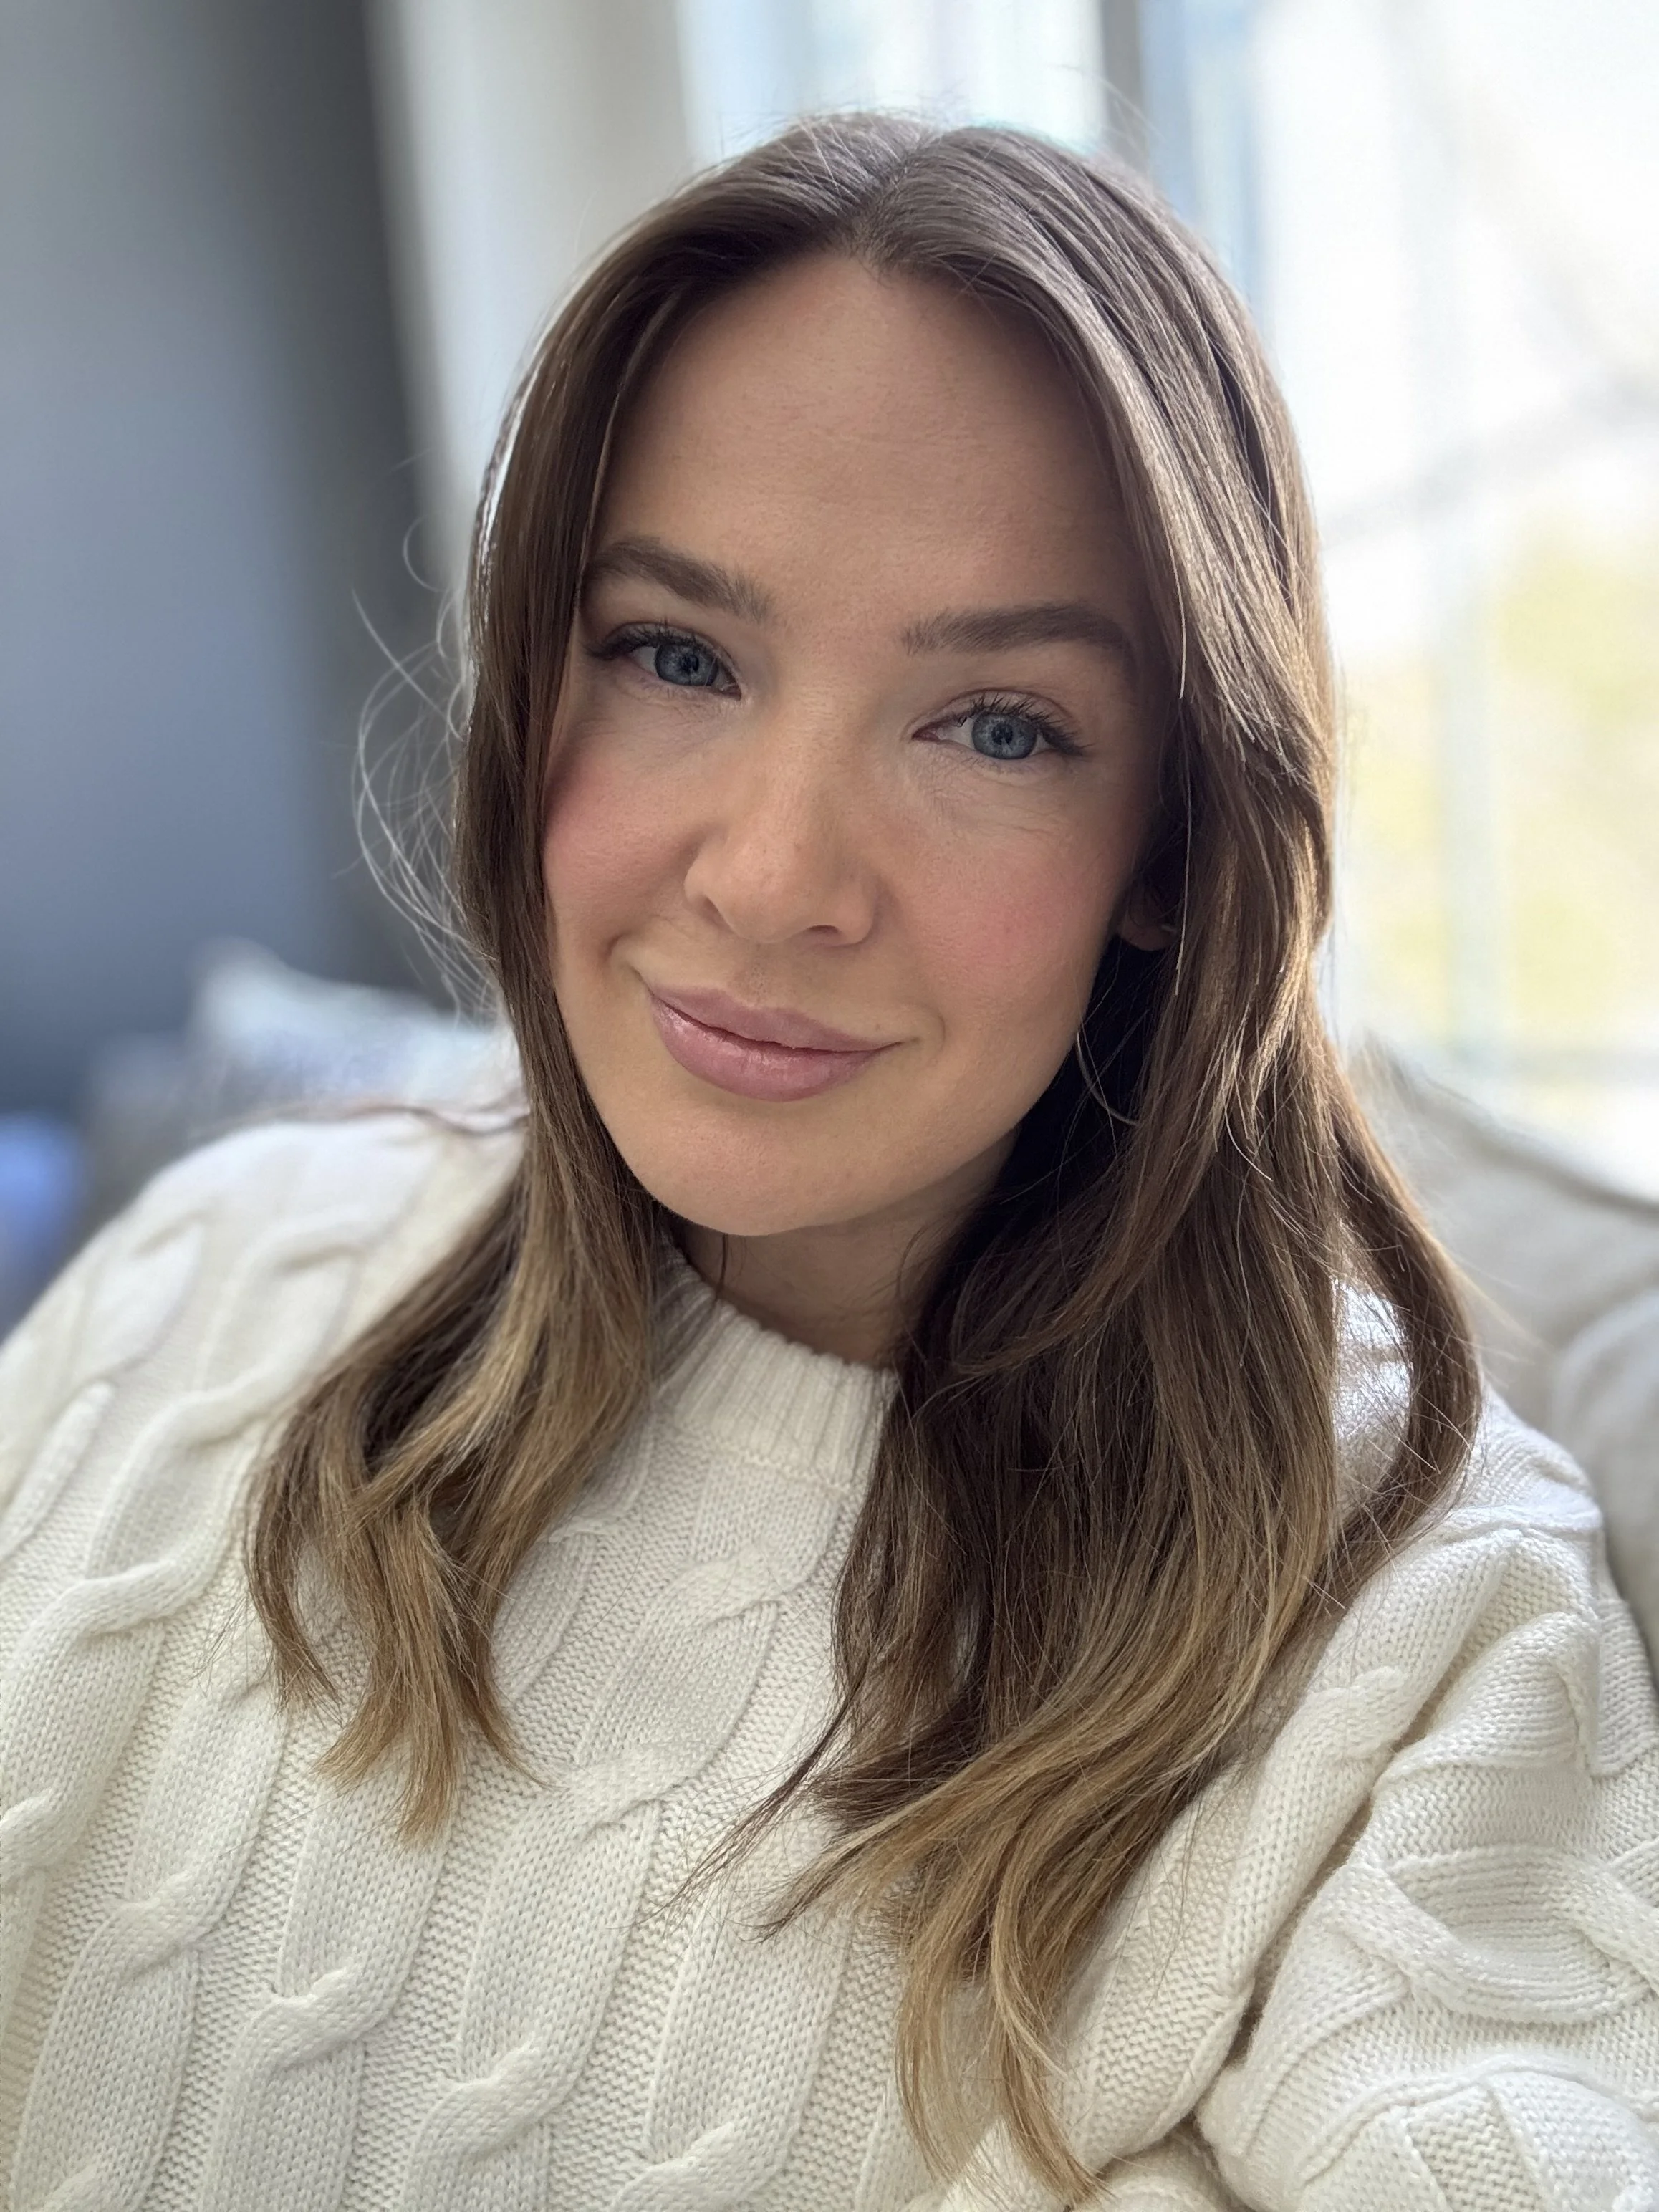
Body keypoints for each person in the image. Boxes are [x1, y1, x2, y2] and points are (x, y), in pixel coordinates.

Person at [1, 114, 1655, 2212]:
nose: (774, 876)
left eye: (996, 726)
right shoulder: (218, 1263)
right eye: (677, 656)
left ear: (1170, 844)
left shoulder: (1418, 1615)